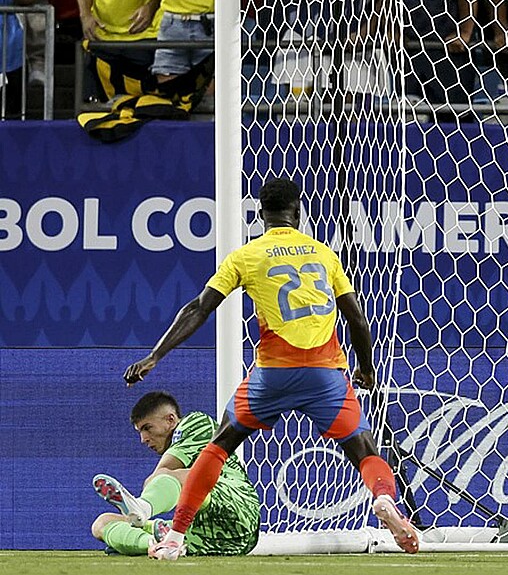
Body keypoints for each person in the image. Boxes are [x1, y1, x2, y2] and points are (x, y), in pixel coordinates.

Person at [123, 178, 419, 560]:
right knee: (363, 448)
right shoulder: (324, 254)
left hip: (273, 374)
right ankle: (381, 498)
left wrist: (155, 356)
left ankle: (176, 536)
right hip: (325, 373)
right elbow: (357, 320)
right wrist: (366, 369)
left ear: (261, 215)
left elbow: (199, 308)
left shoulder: (246, 256)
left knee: (219, 445)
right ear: (297, 212)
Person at [90, 391, 259, 556]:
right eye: (140, 432)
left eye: (147, 428)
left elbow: (157, 479)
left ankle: (143, 509)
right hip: (211, 538)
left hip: (238, 508)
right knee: (101, 523)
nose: (143, 439)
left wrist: (144, 504)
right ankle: (153, 544)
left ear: (170, 419)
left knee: (182, 476)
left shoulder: (195, 423)